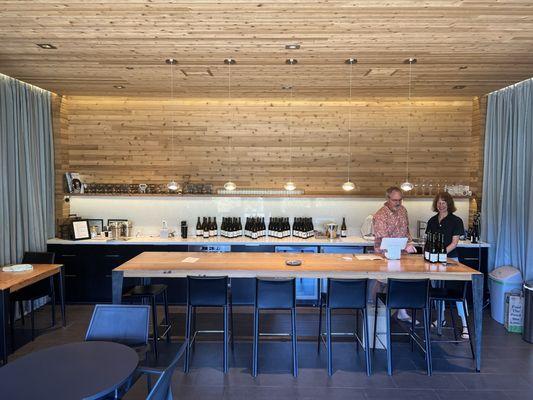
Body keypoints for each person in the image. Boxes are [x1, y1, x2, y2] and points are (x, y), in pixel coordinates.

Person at [426, 191, 469, 338]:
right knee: (437, 290)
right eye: (438, 202)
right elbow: (429, 240)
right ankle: (441, 318)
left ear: (449, 204)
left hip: (451, 260)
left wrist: (440, 252)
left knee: (456, 292)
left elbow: (454, 243)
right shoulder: (432, 220)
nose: (441, 205)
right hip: (434, 261)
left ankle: (465, 325)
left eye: (444, 202)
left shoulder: (456, 221)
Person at [373, 186, 417, 322]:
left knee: (402, 280)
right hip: (385, 253)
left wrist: (410, 242)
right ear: (388, 199)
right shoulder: (380, 215)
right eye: (394, 200)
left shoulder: (403, 210)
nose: (398, 203)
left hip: (402, 253)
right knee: (383, 282)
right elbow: (385, 240)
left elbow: (406, 230)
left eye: (400, 200)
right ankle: (376, 312)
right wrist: (404, 245)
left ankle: (401, 311)